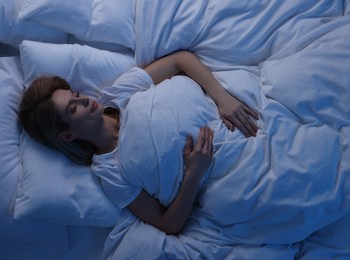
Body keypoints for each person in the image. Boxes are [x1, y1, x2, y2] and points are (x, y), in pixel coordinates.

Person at [19, 51, 259, 234]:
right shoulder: (110, 172)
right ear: (68, 135)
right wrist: (193, 175)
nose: (84, 101)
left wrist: (221, 97)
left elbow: (181, 60)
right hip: (230, 171)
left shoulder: (118, 94)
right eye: (73, 108)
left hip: (237, 117)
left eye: (76, 95)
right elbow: (168, 223)